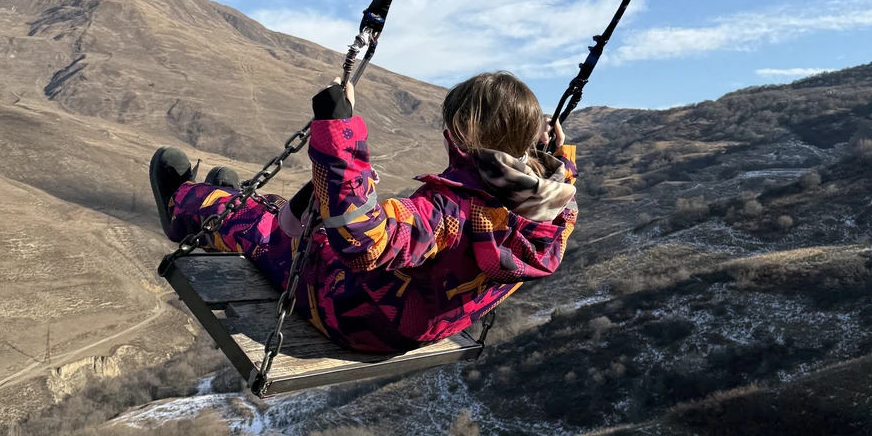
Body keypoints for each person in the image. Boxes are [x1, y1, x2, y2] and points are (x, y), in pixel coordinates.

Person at [150, 71, 577, 354]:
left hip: (351, 311)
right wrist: (561, 158)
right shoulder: (553, 209)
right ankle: (231, 199)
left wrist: (340, 135)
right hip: (413, 317)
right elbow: (560, 181)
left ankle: (186, 205)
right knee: (299, 216)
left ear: (458, 136)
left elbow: (362, 241)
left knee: (265, 232)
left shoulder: (451, 211)